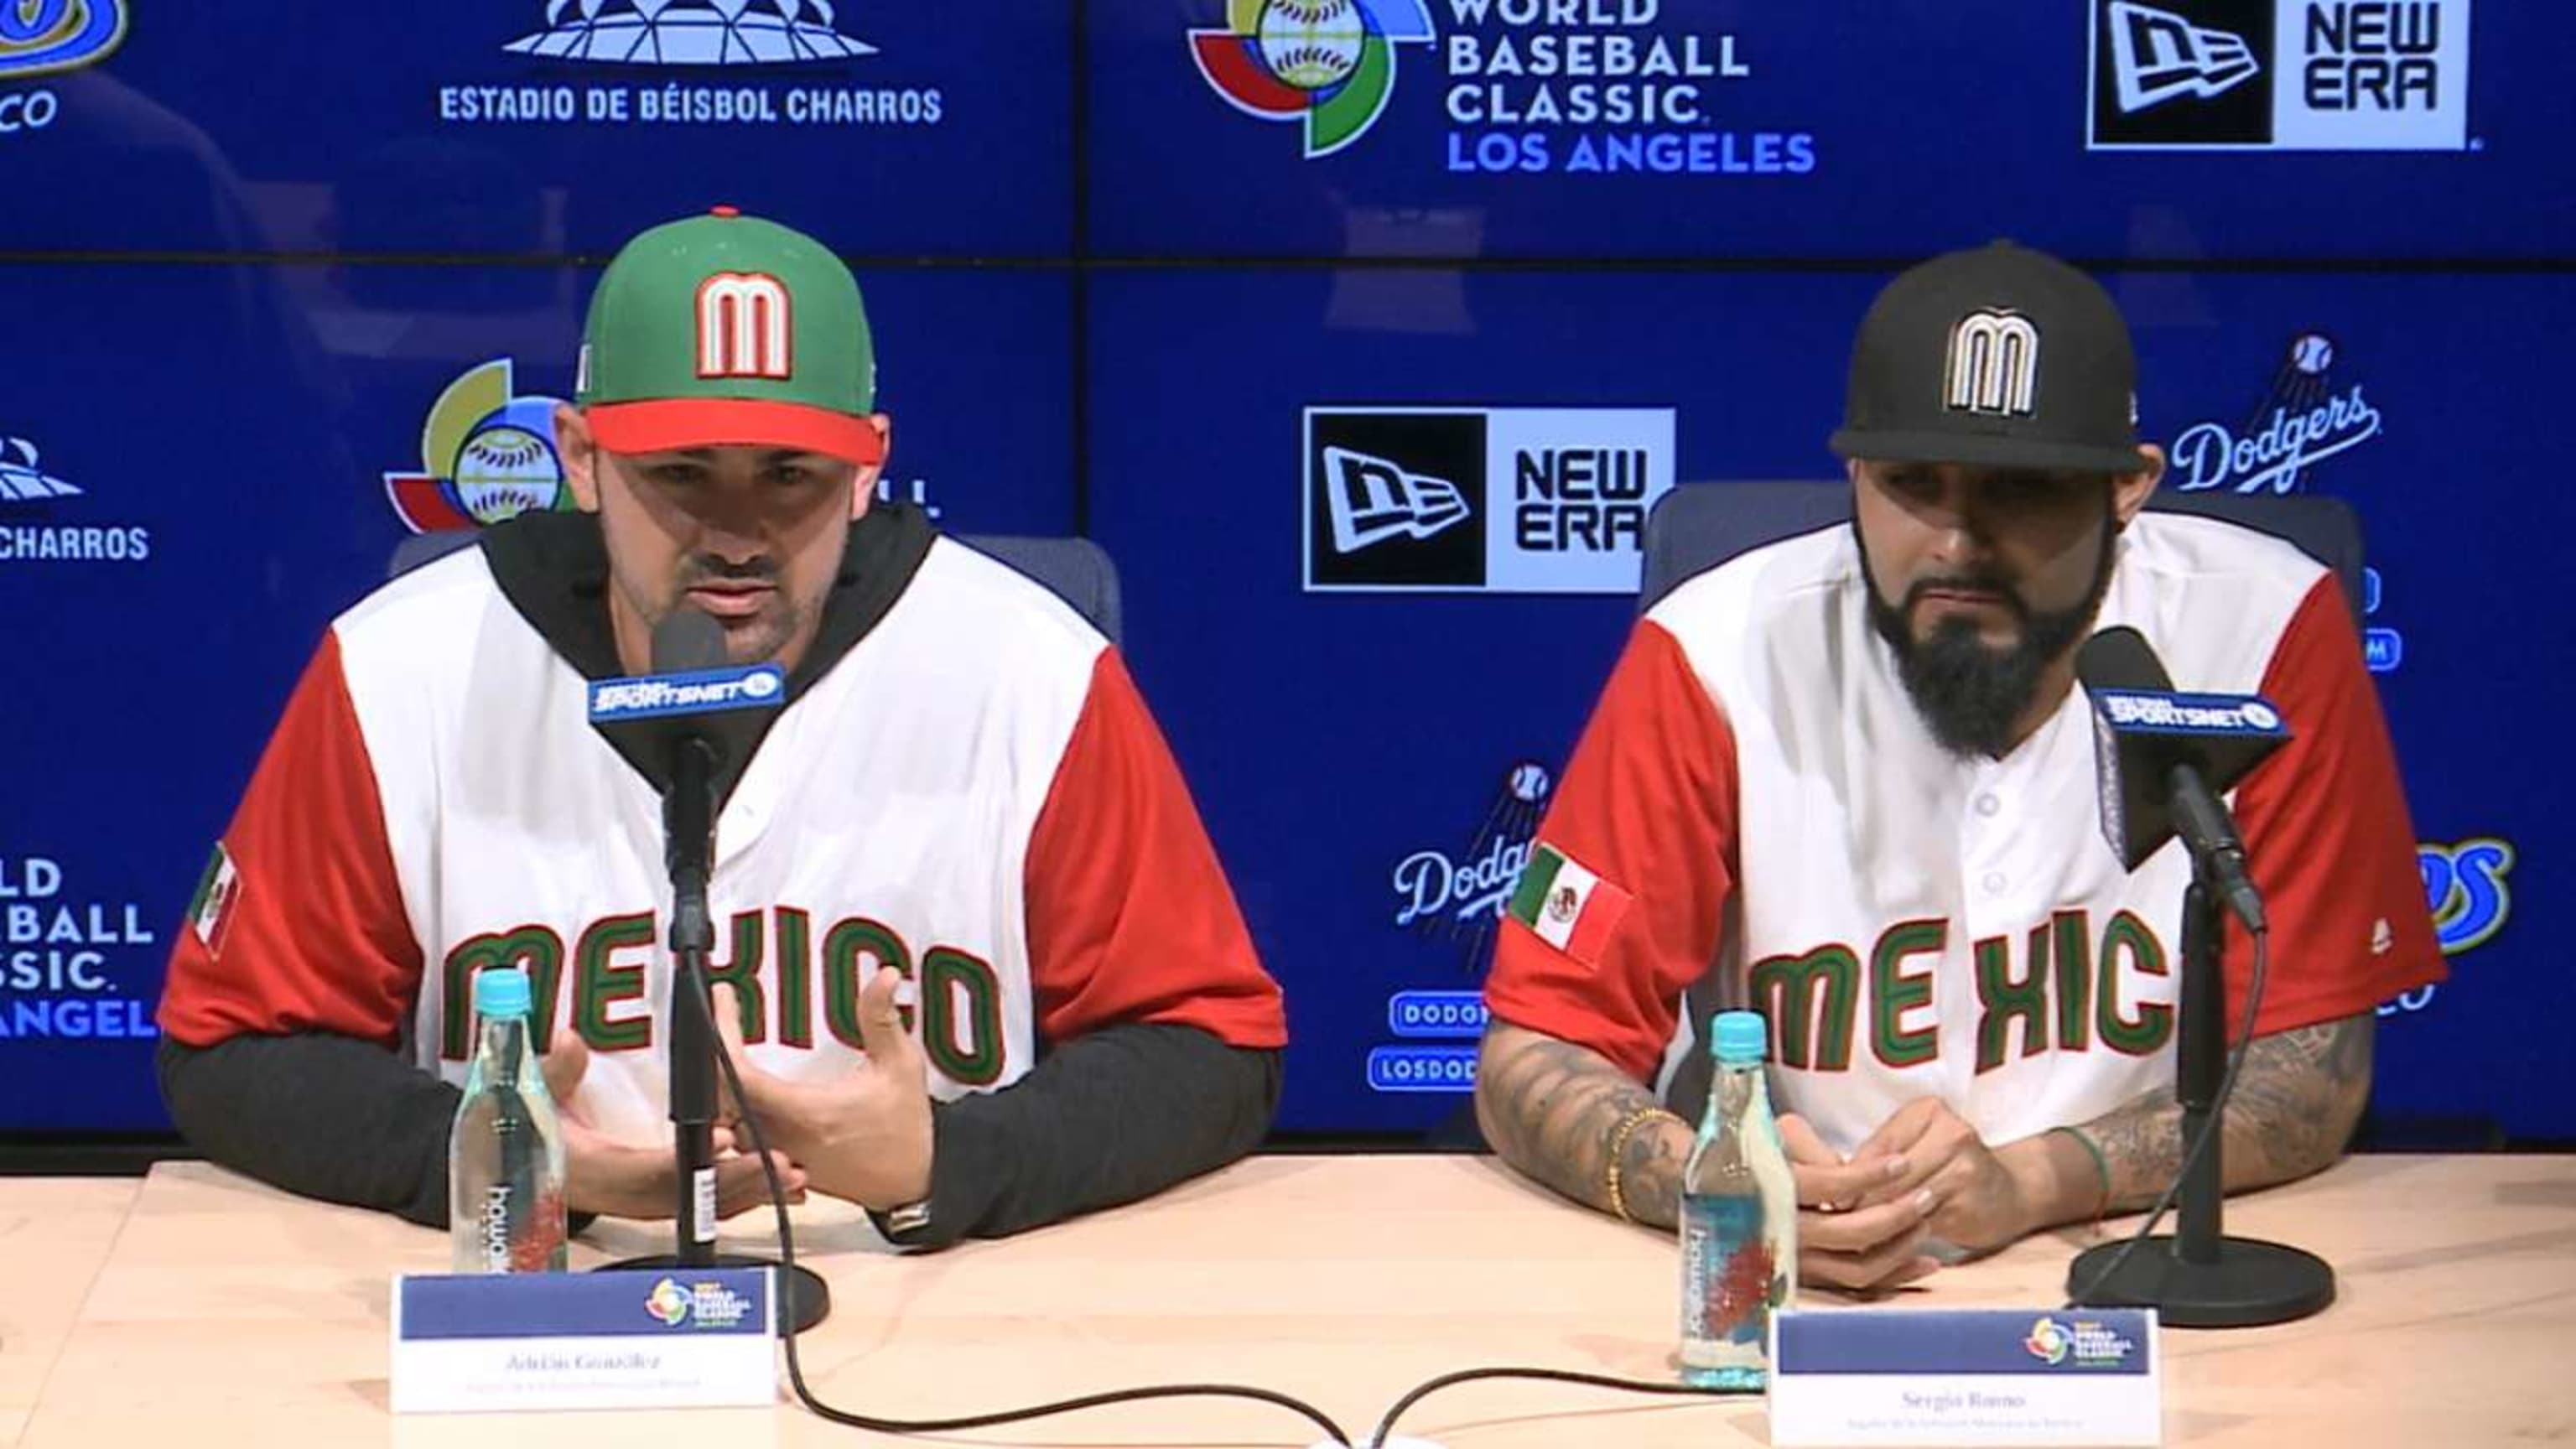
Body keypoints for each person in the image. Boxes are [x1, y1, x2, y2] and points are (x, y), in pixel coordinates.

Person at [157, 208, 1287, 1249]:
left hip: (924, 1303)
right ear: (585, 459)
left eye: (790, 475)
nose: (738, 534)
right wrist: (502, 1160)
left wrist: (957, 1159)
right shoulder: (401, 666)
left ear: (866, 468)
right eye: (683, 473)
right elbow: (232, 1046)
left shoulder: (1031, 668)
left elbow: (1211, 1045)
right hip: (533, 1308)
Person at [1473, 242, 2442, 1293]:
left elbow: (2311, 1076)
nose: (1955, 541)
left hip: (2135, 1264)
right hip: (1811, 1285)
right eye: (1910, 485)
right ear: (1854, 476)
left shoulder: (2261, 625)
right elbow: (1536, 1055)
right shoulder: (1714, 648)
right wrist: (1730, 1182)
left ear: (2128, 488)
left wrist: (2033, 1183)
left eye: (2018, 491)